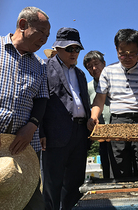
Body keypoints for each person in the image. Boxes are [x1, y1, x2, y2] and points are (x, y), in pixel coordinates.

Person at [0, 6, 50, 209]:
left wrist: (32, 126)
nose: (45, 39)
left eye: (47, 35)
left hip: (24, 147)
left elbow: (42, 99)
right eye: (41, 32)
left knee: (32, 202)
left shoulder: (40, 64)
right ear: (23, 25)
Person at [87, 28, 138, 179]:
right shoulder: (108, 71)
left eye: (132, 53)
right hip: (117, 122)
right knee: (119, 169)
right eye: (122, 53)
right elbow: (99, 99)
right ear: (116, 50)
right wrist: (93, 116)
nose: (127, 57)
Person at [41, 27, 90, 209]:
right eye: (69, 48)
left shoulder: (81, 74)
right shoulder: (45, 67)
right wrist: (41, 131)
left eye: (77, 49)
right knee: (52, 183)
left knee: (75, 183)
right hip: (54, 135)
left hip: (80, 133)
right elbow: (40, 102)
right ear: (58, 48)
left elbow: (84, 102)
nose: (74, 53)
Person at [83, 50, 112, 179]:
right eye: (89, 67)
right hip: (103, 136)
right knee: (108, 171)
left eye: (96, 64)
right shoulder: (87, 88)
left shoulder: (117, 81)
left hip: (122, 131)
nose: (94, 68)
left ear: (104, 63)